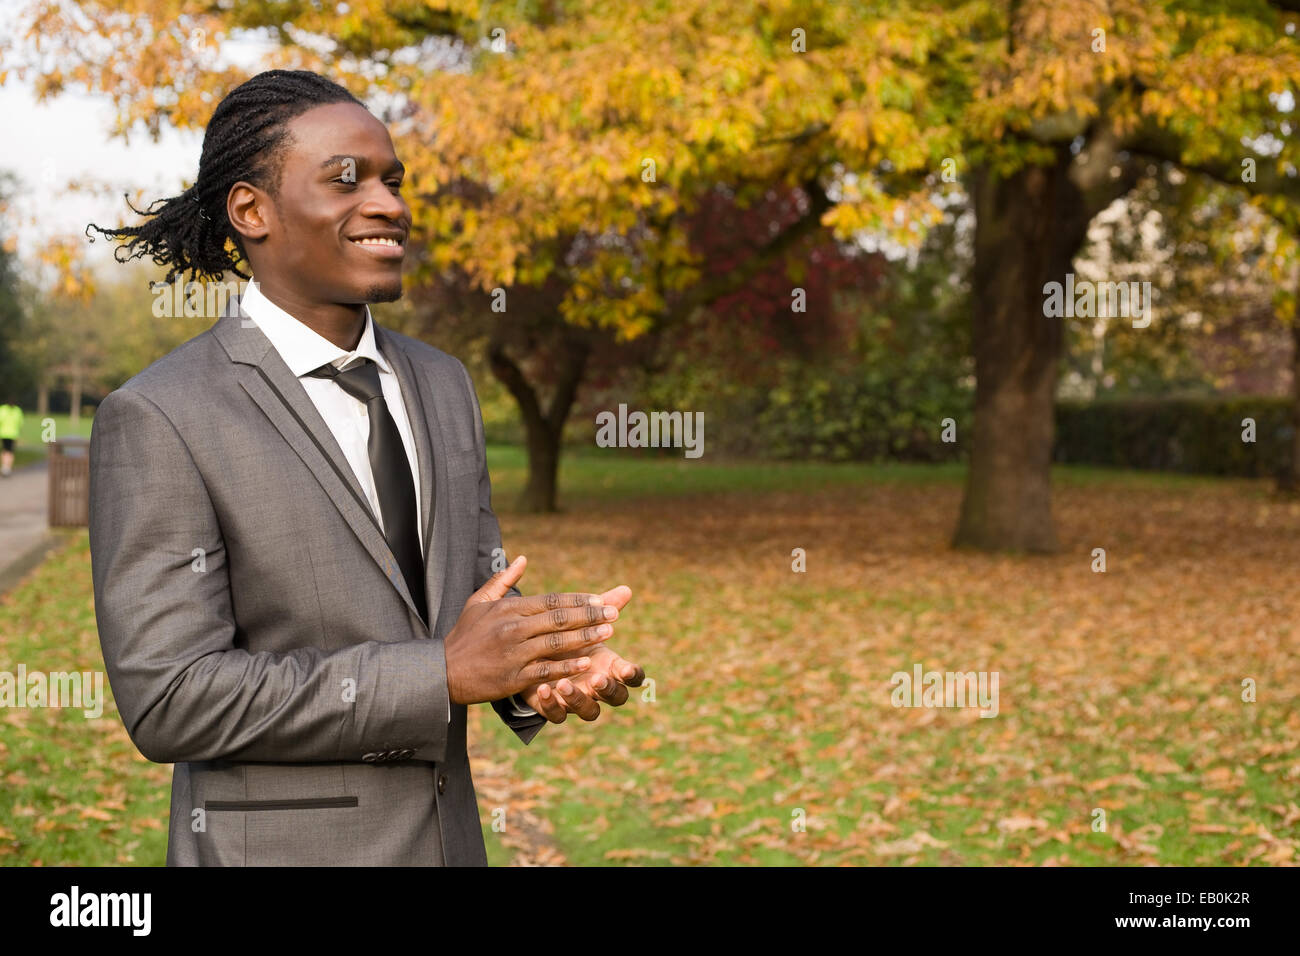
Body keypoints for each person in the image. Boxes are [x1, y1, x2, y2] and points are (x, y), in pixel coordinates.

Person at [85, 69, 644, 866]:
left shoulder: (444, 382)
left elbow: (455, 596)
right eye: (345, 179)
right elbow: (170, 697)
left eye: (392, 180)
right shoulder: (162, 417)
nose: (388, 204)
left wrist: (535, 664)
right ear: (252, 211)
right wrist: (439, 674)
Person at [0, 396, 22, 476]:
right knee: (10, 452)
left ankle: (4, 467)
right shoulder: (17, 411)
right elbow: (20, 423)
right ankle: (8, 468)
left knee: (4, 450)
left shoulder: (2, 409)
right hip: (13, 434)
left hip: (3, 433)